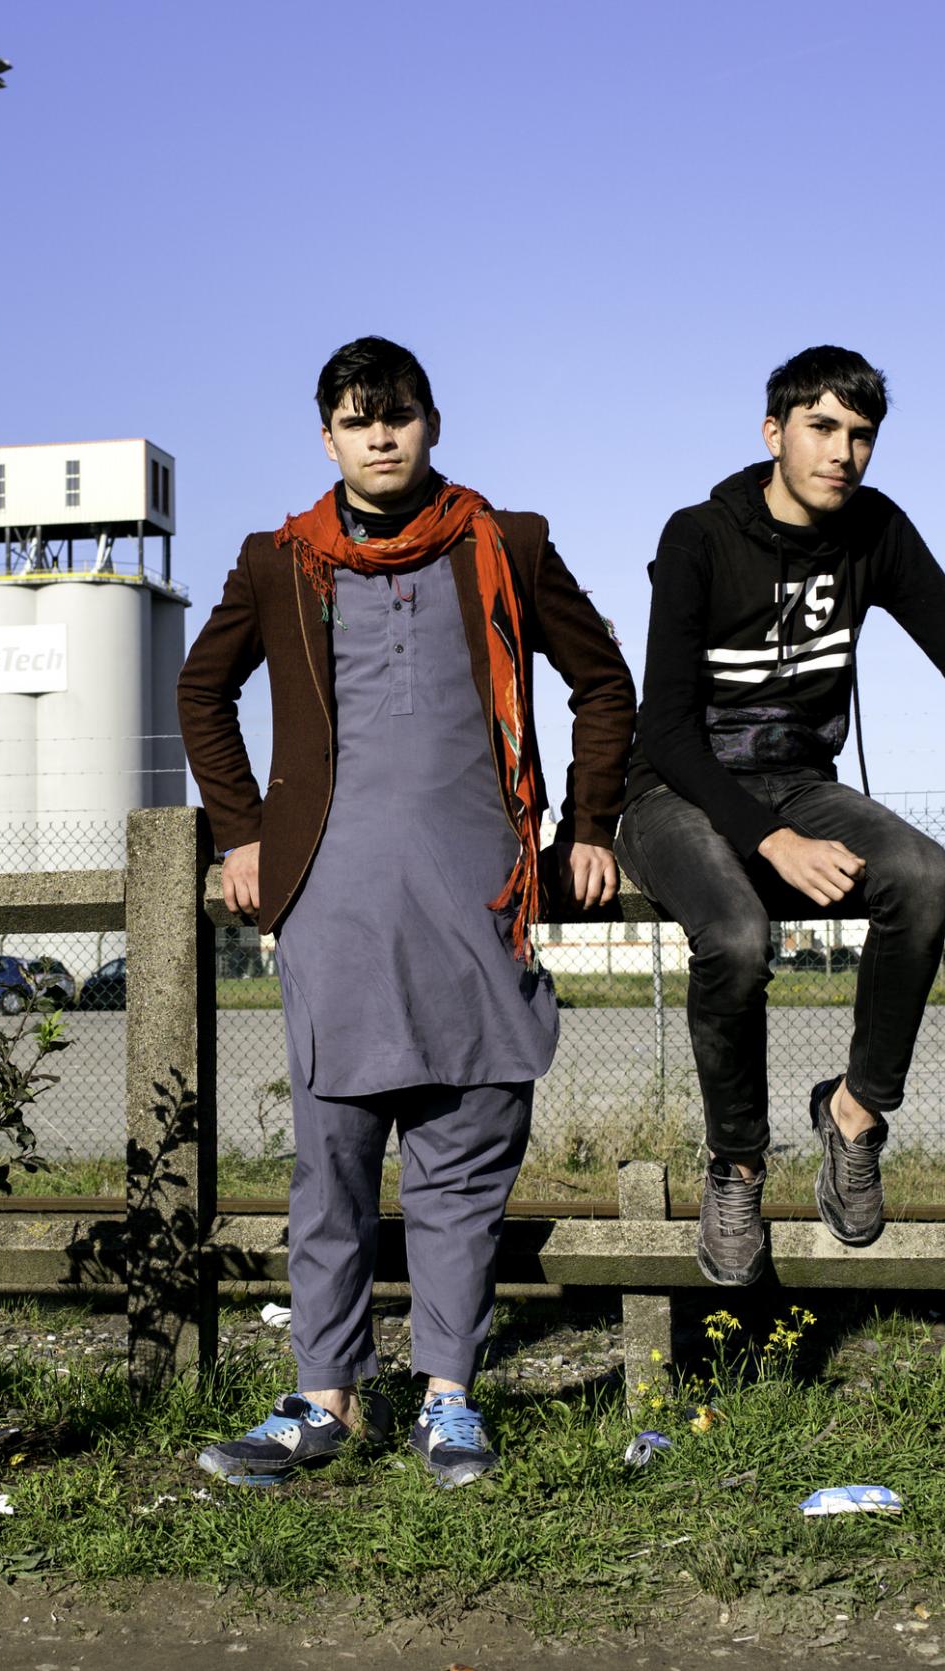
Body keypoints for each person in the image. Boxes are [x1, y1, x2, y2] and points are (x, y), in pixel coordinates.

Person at [175, 336, 635, 1487]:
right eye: (355, 418)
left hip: (477, 895)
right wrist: (239, 831)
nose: (381, 436)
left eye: (401, 415)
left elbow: (601, 683)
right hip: (331, 903)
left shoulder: (507, 545)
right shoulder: (279, 560)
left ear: (433, 424)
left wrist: (588, 825)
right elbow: (200, 689)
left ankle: (446, 1399)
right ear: (326, 438)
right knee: (330, 1162)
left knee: (463, 1152)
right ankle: (322, 1400)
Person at [616, 346, 945, 1284]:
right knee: (737, 935)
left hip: (800, 776)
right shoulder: (699, 534)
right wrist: (769, 839)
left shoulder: (876, 532)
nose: (844, 452)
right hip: (675, 791)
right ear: (774, 432)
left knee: (922, 873)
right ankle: (738, 1163)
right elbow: (664, 726)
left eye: (861, 434)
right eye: (823, 428)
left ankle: (856, 1112)